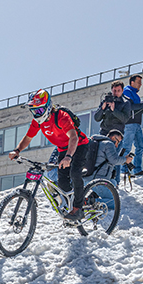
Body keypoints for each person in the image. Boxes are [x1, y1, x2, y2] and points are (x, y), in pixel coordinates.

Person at [10, 90, 90, 220]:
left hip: (79, 145)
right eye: (34, 111)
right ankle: (78, 201)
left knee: (75, 173)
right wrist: (17, 150)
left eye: (39, 111)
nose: (36, 114)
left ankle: (78, 208)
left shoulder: (62, 117)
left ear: (47, 107)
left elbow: (74, 137)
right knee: (62, 182)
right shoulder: (38, 122)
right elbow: (28, 138)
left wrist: (69, 156)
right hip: (63, 149)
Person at [121, 75, 143, 176]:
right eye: (139, 82)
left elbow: (138, 110)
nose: (141, 84)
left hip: (137, 124)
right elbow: (130, 107)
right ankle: (124, 170)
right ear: (132, 82)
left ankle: (137, 170)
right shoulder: (127, 91)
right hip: (129, 124)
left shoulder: (135, 95)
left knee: (140, 147)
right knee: (127, 147)